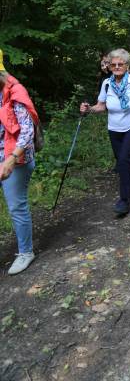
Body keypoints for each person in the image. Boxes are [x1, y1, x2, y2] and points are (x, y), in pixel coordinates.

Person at [80, 48, 130, 217]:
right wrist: (88, 109)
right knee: (123, 161)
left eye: (120, 64)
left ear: (127, 65)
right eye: (113, 64)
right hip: (114, 127)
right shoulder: (107, 83)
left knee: (123, 160)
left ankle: (124, 200)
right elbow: (101, 106)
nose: (116, 67)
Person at [0, 55, 39, 275]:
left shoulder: (16, 92)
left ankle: (26, 252)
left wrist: (11, 160)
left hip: (16, 157)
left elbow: (27, 131)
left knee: (16, 206)